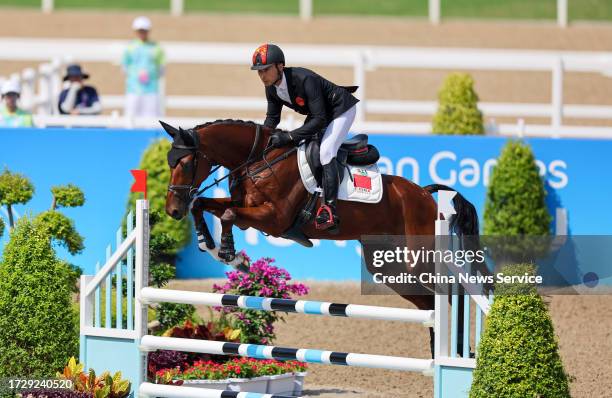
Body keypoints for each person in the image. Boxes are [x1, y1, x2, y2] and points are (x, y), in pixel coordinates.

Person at [251, 43, 359, 234]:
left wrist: (290, 136)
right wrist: (260, 141)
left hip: (341, 109)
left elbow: (319, 120)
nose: (262, 75)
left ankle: (330, 209)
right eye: (259, 71)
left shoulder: (304, 79)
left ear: (280, 66)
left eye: (265, 70)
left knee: (326, 152)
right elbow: (272, 119)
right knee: (302, 150)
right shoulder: (271, 88)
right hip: (321, 113)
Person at [122, 16, 165, 117]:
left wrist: (152, 76)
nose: (142, 33)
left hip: (151, 89)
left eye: (144, 30)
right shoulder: (130, 47)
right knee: (130, 117)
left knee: (151, 118)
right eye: (139, 30)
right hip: (133, 89)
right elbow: (124, 66)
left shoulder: (156, 47)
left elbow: (162, 68)